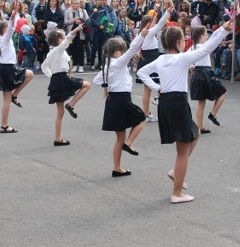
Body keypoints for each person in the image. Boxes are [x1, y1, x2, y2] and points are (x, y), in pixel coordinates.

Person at [138, 20, 232, 203]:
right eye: (183, 40)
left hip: (165, 102)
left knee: (195, 134)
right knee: (183, 150)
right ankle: (177, 192)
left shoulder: (161, 59)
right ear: (179, 42)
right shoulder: (181, 58)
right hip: (178, 103)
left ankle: (176, 173)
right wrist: (223, 31)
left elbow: (141, 72)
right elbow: (206, 49)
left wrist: (157, 88)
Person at [94, 22, 152, 177]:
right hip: (122, 99)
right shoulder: (119, 63)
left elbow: (97, 81)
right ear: (118, 52)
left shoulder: (107, 66)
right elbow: (133, 49)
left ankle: (117, 167)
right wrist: (141, 35)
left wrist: (108, 84)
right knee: (141, 118)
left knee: (119, 137)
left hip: (112, 100)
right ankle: (129, 143)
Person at [0, 1, 34, 133]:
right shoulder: (5, 39)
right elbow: (12, 28)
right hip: (7, 68)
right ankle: (4, 125)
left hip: (3, 67)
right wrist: (12, 17)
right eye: (7, 29)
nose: (9, 31)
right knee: (6, 99)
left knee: (29, 74)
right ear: (4, 30)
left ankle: (15, 95)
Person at [41, 26, 91, 145]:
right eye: (62, 38)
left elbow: (44, 67)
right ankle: (71, 104)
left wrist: (51, 76)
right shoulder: (57, 50)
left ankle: (58, 139)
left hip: (57, 80)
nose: (65, 40)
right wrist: (76, 30)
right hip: (62, 78)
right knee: (87, 85)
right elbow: (67, 39)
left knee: (60, 113)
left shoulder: (52, 52)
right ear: (58, 40)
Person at [189, 26, 228, 135]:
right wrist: (224, 29)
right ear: (201, 37)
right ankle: (213, 113)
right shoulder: (204, 46)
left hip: (196, 74)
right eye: (206, 35)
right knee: (223, 92)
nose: (208, 36)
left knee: (201, 103)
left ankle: (200, 127)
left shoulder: (192, 47)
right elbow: (215, 37)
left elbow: (187, 60)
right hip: (205, 73)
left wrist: (191, 66)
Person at [64, 0, 89, 72]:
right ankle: (75, 64)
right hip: (72, 33)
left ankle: (81, 65)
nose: (76, 5)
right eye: (75, 3)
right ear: (71, 4)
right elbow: (65, 22)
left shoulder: (83, 11)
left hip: (81, 33)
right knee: (73, 49)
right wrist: (73, 20)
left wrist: (81, 21)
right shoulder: (67, 11)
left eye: (78, 3)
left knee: (80, 49)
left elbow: (88, 20)